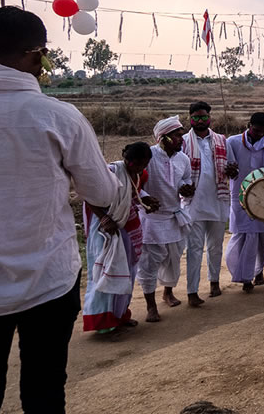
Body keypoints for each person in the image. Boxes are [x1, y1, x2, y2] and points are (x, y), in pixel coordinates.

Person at [0, 7, 122, 414]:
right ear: (36, 55)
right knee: (44, 391)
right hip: (47, 283)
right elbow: (101, 192)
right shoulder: (57, 116)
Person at [82, 142, 159, 335]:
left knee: (127, 271)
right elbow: (88, 195)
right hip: (106, 229)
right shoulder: (110, 172)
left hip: (126, 226)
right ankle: (103, 321)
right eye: (135, 164)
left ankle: (121, 314)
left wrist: (146, 199)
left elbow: (134, 194)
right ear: (127, 160)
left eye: (143, 164)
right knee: (107, 269)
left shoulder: (141, 175)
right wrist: (104, 217)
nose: (139, 167)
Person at [140, 116, 194, 321]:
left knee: (173, 258)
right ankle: (150, 306)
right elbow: (135, 181)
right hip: (152, 219)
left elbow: (186, 179)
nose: (182, 139)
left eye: (182, 135)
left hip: (174, 216)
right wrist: (145, 198)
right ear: (163, 138)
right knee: (150, 262)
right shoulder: (149, 156)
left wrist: (186, 188)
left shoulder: (183, 159)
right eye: (178, 136)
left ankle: (168, 292)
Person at [182, 101, 236, 305]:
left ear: (210, 118)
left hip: (217, 200)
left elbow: (231, 168)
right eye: (196, 117)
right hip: (193, 203)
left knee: (215, 247)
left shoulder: (222, 140)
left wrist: (233, 171)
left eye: (204, 117)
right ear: (190, 119)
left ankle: (214, 282)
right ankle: (192, 292)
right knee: (194, 249)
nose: (200, 121)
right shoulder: (184, 142)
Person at [225, 113, 264, 292]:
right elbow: (227, 167)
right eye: (256, 130)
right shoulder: (232, 142)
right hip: (239, 195)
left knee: (259, 237)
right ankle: (245, 276)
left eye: (262, 132)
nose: (258, 134)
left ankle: (257, 272)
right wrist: (230, 170)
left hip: (263, 198)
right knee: (242, 235)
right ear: (249, 125)